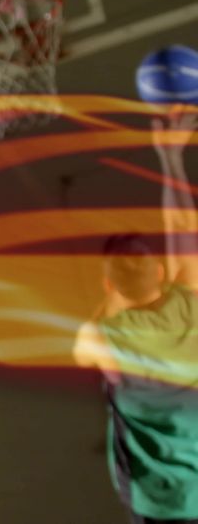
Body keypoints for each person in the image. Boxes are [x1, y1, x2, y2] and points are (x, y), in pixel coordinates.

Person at [73, 106, 198, 523]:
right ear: (161, 272)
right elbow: (182, 226)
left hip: (159, 505)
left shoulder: (101, 336)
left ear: (110, 286)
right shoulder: (189, 304)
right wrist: (171, 159)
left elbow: (81, 352)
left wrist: (113, 290)